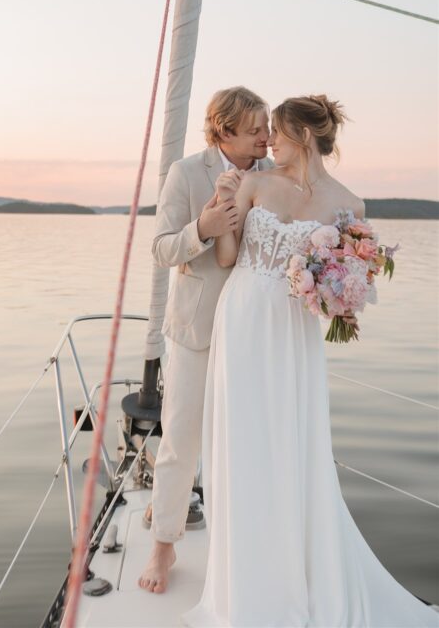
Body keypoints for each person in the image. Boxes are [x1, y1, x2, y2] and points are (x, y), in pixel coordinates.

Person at [180, 95, 439, 627]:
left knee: (292, 443)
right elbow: (228, 258)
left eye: (275, 130)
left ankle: (298, 576)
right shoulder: (252, 182)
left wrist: (341, 293)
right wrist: (221, 206)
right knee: (246, 442)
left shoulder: (350, 206)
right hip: (244, 319)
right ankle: (247, 584)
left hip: (294, 331)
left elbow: (347, 278)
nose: (268, 140)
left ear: (301, 133)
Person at [138, 86, 273, 594]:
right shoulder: (185, 172)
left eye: (266, 127)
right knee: (181, 441)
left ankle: (242, 545)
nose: (266, 135)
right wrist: (204, 227)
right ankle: (163, 545)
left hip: (255, 332)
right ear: (224, 130)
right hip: (197, 329)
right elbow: (161, 249)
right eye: (256, 128)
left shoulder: (276, 177)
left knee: (246, 442)